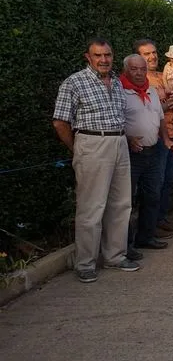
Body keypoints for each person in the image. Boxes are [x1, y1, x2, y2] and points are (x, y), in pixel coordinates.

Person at [53, 38, 137, 281]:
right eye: (98, 55)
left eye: (107, 55)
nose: (104, 60)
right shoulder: (74, 82)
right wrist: (77, 147)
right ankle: (86, 262)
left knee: (121, 204)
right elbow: (60, 121)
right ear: (88, 57)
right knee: (91, 207)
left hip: (119, 142)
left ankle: (115, 256)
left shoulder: (118, 84)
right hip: (92, 143)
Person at [120, 53, 173, 256]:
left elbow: (160, 118)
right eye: (134, 69)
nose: (139, 72)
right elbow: (115, 120)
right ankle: (125, 246)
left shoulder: (151, 91)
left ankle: (146, 237)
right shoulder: (120, 91)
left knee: (152, 195)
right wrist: (127, 137)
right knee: (126, 200)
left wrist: (166, 139)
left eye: (142, 69)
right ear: (126, 70)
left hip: (154, 150)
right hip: (132, 154)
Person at [137, 38, 173, 235]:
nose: (152, 56)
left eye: (154, 52)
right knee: (154, 181)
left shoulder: (164, 74)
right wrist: (168, 105)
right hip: (155, 136)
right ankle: (150, 225)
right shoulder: (140, 80)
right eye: (146, 54)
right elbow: (147, 110)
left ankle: (161, 218)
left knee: (168, 179)